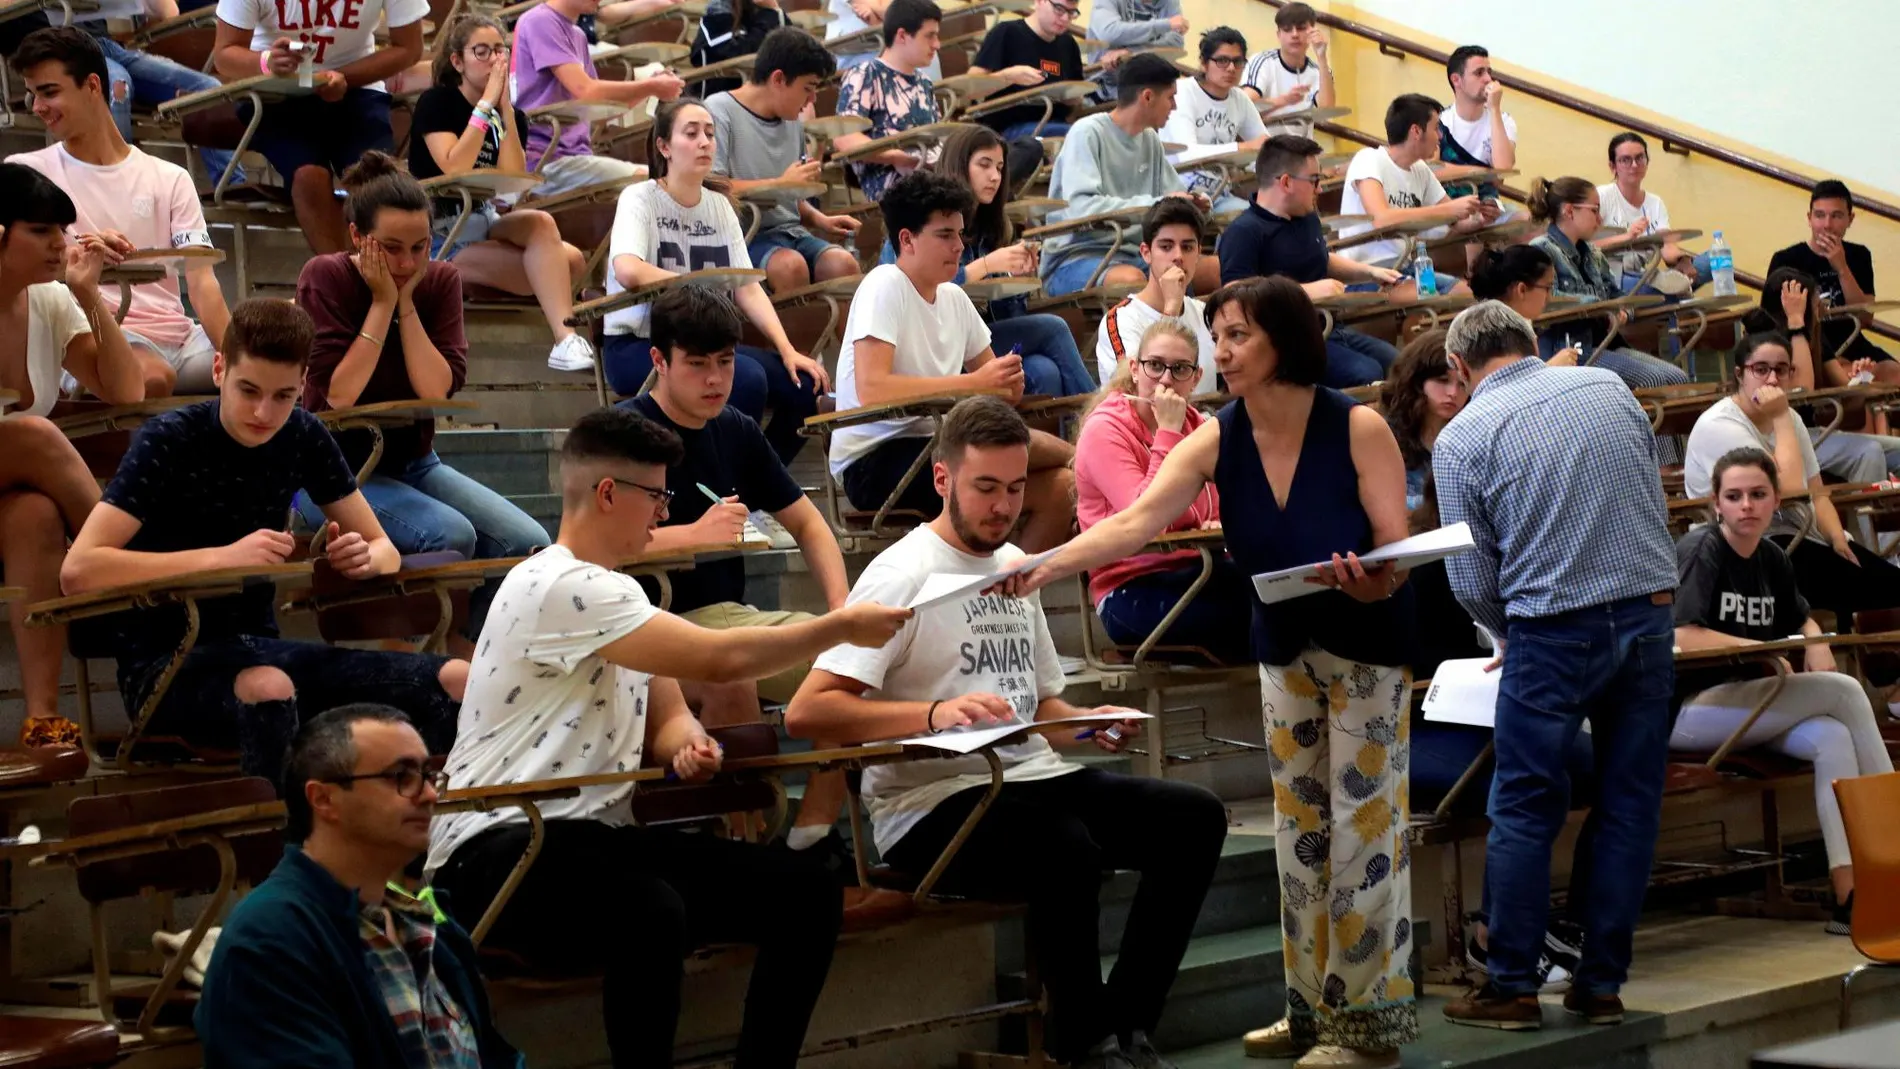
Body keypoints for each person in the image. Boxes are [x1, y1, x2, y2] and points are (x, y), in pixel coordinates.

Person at [1007, 277, 1420, 1068]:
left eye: (1238, 336)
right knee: (1301, 835)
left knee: (1365, 830)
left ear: (1285, 342)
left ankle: (1365, 1030)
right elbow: (1134, 520)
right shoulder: (1217, 436)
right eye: (1219, 335)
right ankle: (1310, 1011)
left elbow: (1394, 547)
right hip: (1282, 646)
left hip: (1367, 645)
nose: (1222, 352)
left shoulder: (1358, 425)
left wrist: (1375, 578)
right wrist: (1045, 561)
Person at [427, 407, 910, 1069]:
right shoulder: (558, 583)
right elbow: (723, 660)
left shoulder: (619, 596)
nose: (662, 512)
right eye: (656, 496)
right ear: (607, 494)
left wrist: (688, 741)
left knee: (804, 889)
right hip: (499, 851)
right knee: (651, 910)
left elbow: (669, 710)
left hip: (591, 839)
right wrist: (841, 627)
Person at [789, 394, 1228, 1069]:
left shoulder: (1014, 561)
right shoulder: (901, 572)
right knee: (1064, 845)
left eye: (1016, 487)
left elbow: (1040, 706)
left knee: (1193, 817)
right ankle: (1082, 1044)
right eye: (985, 487)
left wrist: (1087, 722)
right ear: (943, 480)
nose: (1002, 505)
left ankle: (1126, 1024)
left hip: (1029, 776)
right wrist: (933, 714)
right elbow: (810, 710)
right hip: (929, 803)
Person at [60, 298, 469, 789]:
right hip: (165, 666)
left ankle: (420, 850)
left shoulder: (302, 434)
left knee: (456, 682)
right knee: (271, 688)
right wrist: (224, 559)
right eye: (248, 390)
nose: (263, 411)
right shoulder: (167, 439)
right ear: (218, 369)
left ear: (301, 388)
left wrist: (362, 558)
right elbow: (78, 571)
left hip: (262, 651)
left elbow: (382, 548)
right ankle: (288, 854)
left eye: (283, 396)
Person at [1431, 301, 1677, 1031]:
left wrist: (1507, 632)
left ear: (1458, 366)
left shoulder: (1463, 433)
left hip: (1551, 626)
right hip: (1647, 611)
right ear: (1532, 343)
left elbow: (1469, 576)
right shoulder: (1609, 389)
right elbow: (1650, 490)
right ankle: (1601, 983)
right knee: (1630, 805)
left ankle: (1510, 985)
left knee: (1525, 807)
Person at [619, 283, 856, 855]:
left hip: (729, 618)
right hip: (653, 625)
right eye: (697, 365)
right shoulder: (622, 433)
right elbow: (586, 551)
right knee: (739, 679)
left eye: (725, 363)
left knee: (863, 665)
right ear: (659, 361)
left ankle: (809, 834)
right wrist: (687, 536)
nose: (715, 380)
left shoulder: (737, 429)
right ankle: (762, 840)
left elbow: (811, 526)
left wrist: (842, 611)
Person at [296, 152, 550, 645]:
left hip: (413, 460)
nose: (407, 263)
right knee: (451, 535)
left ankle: (472, 652)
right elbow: (340, 394)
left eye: (419, 247)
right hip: (331, 473)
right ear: (357, 238)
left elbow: (436, 389)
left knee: (530, 544)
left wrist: (405, 303)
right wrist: (382, 304)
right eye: (390, 249)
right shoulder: (324, 275)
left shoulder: (438, 281)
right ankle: (421, 658)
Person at [195, 704, 521, 1069]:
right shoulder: (269, 938)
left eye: (428, 775)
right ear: (324, 799)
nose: (429, 795)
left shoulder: (429, 922)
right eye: (400, 776)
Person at [1672, 446, 1893, 935]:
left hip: (1751, 706)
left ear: (1775, 501)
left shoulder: (1772, 557)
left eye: (1757, 494)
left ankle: (1851, 894)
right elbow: (1683, 636)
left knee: (1832, 738)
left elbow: (1800, 615)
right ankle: (1893, 850)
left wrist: (1812, 638)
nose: (1746, 505)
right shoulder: (1701, 549)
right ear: (1716, 503)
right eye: (1734, 496)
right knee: (1844, 692)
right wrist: (1762, 649)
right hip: (1687, 713)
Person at [832, 171, 1075, 548]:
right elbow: (873, 389)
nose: (959, 246)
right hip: (875, 462)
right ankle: (1095, 462)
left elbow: (996, 389)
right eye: (945, 235)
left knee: (1066, 486)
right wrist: (976, 385)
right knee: (1020, 448)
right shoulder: (884, 284)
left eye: (961, 234)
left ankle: (1006, 593)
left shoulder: (954, 298)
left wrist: (1006, 383)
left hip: (939, 445)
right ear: (907, 239)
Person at [0, 164, 145, 751]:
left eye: (63, 229)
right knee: (36, 436)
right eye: (41, 231)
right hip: (23, 448)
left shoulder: (50, 298)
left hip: (10, 482)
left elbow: (128, 391)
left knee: (35, 515)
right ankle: (146, 568)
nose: (60, 244)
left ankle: (40, 717)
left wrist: (89, 297)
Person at [9, 27, 230, 398]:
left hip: (183, 340)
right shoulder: (24, 173)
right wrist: (82, 252)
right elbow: (15, 265)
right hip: (95, 338)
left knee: (277, 356)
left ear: (93, 86)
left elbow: (202, 282)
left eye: (48, 92)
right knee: (155, 378)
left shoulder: (170, 177)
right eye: (32, 95)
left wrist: (243, 360)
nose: (37, 107)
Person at [602, 98, 824, 464]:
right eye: (691, 134)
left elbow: (746, 286)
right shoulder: (639, 198)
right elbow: (627, 268)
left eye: (710, 133)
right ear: (664, 147)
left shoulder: (720, 205)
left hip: (707, 346)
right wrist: (695, 283)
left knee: (804, 387)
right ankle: (719, 486)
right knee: (747, 380)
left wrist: (787, 350)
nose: (705, 142)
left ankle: (755, 486)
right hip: (639, 345)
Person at [1683, 332, 1900, 639]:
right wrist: (1782, 416)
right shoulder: (1719, 425)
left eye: (1781, 369)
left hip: (1801, 537)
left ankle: (1879, 678)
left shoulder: (1791, 419)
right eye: (1760, 369)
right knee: (1882, 592)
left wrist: (1839, 540)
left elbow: (1817, 490)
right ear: (1739, 374)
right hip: (1749, 548)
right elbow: (1786, 491)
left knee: (1885, 583)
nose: (1772, 379)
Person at [410, 14, 593, 374]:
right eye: (482, 52)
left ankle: (565, 340)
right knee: (555, 268)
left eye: (499, 50)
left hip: (484, 218)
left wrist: (505, 109)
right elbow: (454, 166)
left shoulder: (513, 117)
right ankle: (563, 332)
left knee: (565, 252)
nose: (494, 60)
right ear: (457, 62)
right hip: (442, 233)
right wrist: (485, 104)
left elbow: (513, 178)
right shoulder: (437, 103)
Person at [879, 124, 1096, 398]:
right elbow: (909, 286)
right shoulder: (919, 224)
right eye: (984, 165)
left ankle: (1069, 436)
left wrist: (1016, 280)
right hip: (936, 342)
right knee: (1054, 328)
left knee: (1043, 371)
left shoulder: (994, 226)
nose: (994, 176)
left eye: (1000, 167)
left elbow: (1004, 311)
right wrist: (986, 266)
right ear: (960, 165)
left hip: (981, 339)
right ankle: (1104, 419)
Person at [1076, 320, 1248, 664]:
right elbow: (1146, 516)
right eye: (1155, 366)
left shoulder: (1201, 426)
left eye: (1180, 369)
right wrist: (1167, 432)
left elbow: (1232, 502)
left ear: (1196, 378)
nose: (1166, 379)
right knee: (1268, 620)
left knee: (1289, 598)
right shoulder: (1105, 429)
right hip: (1132, 587)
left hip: (1202, 571)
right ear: (1136, 370)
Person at [212, 0, 426, 254]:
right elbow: (224, 54)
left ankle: (385, 273)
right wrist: (266, 62)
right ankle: (340, 276)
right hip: (275, 91)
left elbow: (410, 48)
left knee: (376, 179)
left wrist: (344, 77)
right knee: (308, 176)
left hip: (357, 85)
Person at [1217, 134, 1403, 387]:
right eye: (1314, 180)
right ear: (1286, 182)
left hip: (1328, 329)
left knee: (1401, 365)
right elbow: (1234, 295)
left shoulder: (1306, 218)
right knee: (1365, 373)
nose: (1320, 188)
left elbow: (1322, 259)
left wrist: (1369, 272)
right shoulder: (1243, 232)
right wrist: (1305, 292)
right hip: (1283, 343)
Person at [1041, 52, 1211, 299]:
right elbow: (1082, 208)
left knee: (1215, 270)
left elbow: (1171, 198)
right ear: (1148, 97)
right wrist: (1157, 204)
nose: (1174, 106)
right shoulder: (1086, 133)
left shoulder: (1150, 139)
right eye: (1171, 97)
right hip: (1076, 258)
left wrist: (1195, 204)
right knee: (1134, 280)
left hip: (1136, 253)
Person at [707, 28, 860, 294]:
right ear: (778, 79)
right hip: (743, 237)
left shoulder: (792, 120)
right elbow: (712, 186)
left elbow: (790, 196)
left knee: (843, 264)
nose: (812, 100)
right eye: (808, 88)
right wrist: (779, 184)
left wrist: (820, 219)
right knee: (791, 267)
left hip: (791, 233)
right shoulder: (719, 111)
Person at [513, 0, 686, 197]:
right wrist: (650, 86)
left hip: (574, 159)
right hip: (544, 161)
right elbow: (586, 90)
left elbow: (601, 111)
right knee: (663, 183)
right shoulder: (539, 20)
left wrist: (649, 89)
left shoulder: (577, 34)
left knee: (669, 180)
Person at [1469, 237, 1689, 391]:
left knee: (1673, 378)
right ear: (1522, 290)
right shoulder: (1495, 330)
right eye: (1546, 288)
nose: (1550, 297)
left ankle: (1670, 460)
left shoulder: (1521, 323)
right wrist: (1551, 367)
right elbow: (1505, 392)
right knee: (1648, 382)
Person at [1744, 267, 1900, 473]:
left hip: (1814, 432)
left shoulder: (1815, 337)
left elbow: (1844, 387)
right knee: (1868, 451)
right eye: (1817, 303)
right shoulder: (1765, 343)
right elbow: (1802, 388)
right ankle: (1864, 504)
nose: (1823, 309)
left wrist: (1860, 376)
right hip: (1777, 438)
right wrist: (1797, 323)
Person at [69, 0, 239, 182]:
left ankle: (232, 183)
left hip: (109, 47)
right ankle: (120, 184)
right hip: (69, 48)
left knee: (207, 86)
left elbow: (169, 12)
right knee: (118, 86)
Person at [1336, 93, 1489, 266]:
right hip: (1366, 270)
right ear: (1416, 131)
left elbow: (1457, 223)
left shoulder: (1421, 169)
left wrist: (1480, 218)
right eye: (1435, 128)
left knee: (1462, 290)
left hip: (1402, 266)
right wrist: (1449, 209)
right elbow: (1380, 219)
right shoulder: (1369, 159)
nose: (1440, 136)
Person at [1767, 180, 1890, 377]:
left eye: (1837, 216)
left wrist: (1841, 267)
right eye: (1819, 215)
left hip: (1852, 342)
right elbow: (1772, 322)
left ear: (1850, 219)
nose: (1827, 225)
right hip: (1811, 347)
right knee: (1860, 381)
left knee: (1894, 373)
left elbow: (1865, 318)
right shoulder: (1786, 259)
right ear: (1809, 218)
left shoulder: (1859, 255)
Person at [1095, 198, 1216, 382]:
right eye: (1166, 247)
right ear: (1146, 253)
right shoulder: (1121, 320)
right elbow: (1141, 391)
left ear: (1198, 252)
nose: (1178, 256)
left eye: (1187, 247)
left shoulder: (1203, 313)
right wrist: (1171, 312)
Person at [834, 0, 942, 203]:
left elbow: (935, 139)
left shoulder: (925, 82)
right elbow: (843, 138)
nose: (937, 44)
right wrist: (899, 157)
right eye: (930, 36)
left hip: (928, 177)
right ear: (902, 36)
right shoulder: (865, 73)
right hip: (889, 184)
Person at [1160, 27, 1266, 216]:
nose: (1231, 68)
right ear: (1203, 63)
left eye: (1238, 61)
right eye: (1222, 60)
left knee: (1261, 220)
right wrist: (1240, 149)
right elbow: (1187, 154)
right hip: (1177, 195)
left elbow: (1265, 147)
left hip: (1219, 196)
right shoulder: (1183, 92)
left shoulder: (1240, 99)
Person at [1594, 132, 1703, 293]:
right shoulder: (1601, 197)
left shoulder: (1655, 202)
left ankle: (1679, 287)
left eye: (1639, 158)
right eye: (1625, 160)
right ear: (1613, 166)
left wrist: (1683, 260)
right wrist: (1626, 237)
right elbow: (1585, 246)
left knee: (1712, 262)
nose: (1634, 165)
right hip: (1612, 274)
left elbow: (1666, 245)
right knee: (1666, 292)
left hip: (1646, 273)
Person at [966, 0, 1086, 142]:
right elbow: (970, 88)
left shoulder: (1068, 44)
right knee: (1080, 136)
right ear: (1039, 2)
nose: (1065, 18)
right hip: (1009, 129)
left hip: (1055, 124)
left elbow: (1076, 98)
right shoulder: (1006, 32)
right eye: (1059, 9)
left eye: (1072, 13)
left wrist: (1072, 97)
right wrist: (1009, 77)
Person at [1241, 2, 1333, 138]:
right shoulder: (1263, 62)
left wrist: (1322, 56)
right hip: (1266, 149)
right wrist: (1283, 101)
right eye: (1287, 29)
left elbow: (1327, 111)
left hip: (1301, 150)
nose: (1295, 34)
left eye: (1301, 28)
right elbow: (1243, 106)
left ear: (1313, 31)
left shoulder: (1319, 70)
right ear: (1278, 34)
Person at [1438, 44, 1514, 196]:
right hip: (1446, 205)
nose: (1488, 79)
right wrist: (1483, 172)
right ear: (1456, 80)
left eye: (1489, 72)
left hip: (1487, 207)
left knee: (1527, 217)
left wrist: (1494, 108)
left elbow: (1502, 172)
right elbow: (1433, 172)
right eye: (1479, 73)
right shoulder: (1439, 121)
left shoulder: (1504, 120)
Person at [1086, 0, 1184, 102]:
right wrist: (1164, 25)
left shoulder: (1169, 2)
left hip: (1147, 90)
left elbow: (1176, 43)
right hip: (1105, 90)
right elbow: (1109, 32)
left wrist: (1132, 52)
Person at [689, 0, 789, 98]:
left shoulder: (760, 9)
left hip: (760, 97)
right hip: (721, 98)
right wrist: (770, 12)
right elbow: (741, 52)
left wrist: (775, 10)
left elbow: (792, 48)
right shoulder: (719, 10)